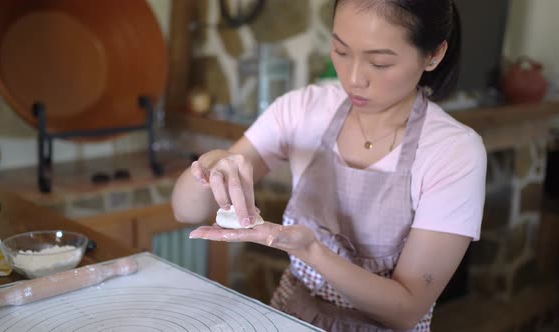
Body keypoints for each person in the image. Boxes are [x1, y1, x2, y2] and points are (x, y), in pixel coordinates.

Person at [171, 0, 487, 330]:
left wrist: (311, 250)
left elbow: (406, 308)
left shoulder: (453, 151)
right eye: (341, 50)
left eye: (379, 63)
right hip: (289, 317)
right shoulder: (304, 109)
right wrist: (213, 164)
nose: (352, 78)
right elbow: (186, 211)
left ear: (433, 55)